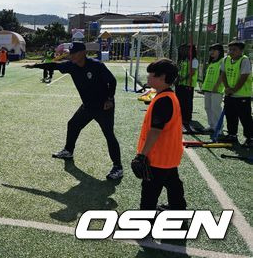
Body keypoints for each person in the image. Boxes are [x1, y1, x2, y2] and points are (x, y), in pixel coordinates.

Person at [24, 42, 122, 180]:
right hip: (88, 106)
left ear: (82, 52)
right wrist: (35, 65)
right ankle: (68, 151)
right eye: (70, 53)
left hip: (103, 107)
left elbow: (112, 81)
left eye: (74, 53)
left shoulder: (97, 65)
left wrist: (110, 99)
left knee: (109, 135)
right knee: (73, 124)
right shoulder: (71, 65)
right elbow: (54, 65)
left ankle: (118, 167)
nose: (71, 56)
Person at [135, 58, 186, 212]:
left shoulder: (163, 101)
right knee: (173, 184)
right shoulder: (169, 96)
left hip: (157, 157)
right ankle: (178, 209)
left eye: (151, 75)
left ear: (162, 77)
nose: (148, 77)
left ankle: (145, 220)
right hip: (169, 155)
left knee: (150, 191)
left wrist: (141, 155)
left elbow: (155, 131)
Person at [217, 41, 253, 147]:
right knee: (230, 115)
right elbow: (223, 74)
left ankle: (250, 138)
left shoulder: (244, 60)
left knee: (245, 117)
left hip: (242, 95)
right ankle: (232, 135)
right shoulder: (226, 59)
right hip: (229, 94)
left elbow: (244, 77)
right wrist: (227, 88)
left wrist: (234, 89)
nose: (231, 52)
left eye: (234, 50)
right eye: (230, 49)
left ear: (241, 51)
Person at [200, 44, 225, 135]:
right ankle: (212, 125)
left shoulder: (222, 61)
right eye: (210, 50)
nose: (211, 52)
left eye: (214, 50)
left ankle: (219, 128)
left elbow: (222, 75)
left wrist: (216, 86)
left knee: (216, 108)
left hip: (216, 90)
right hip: (208, 89)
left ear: (220, 51)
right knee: (208, 107)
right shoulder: (211, 62)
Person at [176, 44, 198, 133]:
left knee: (187, 102)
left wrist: (183, 78)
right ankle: (179, 117)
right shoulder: (182, 60)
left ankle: (187, 118)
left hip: (188, 85)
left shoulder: (194, 60)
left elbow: (192, 72)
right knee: (179, 101)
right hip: (180, 84)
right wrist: (177, 78)